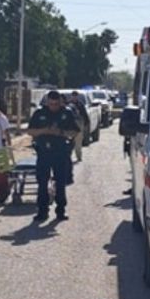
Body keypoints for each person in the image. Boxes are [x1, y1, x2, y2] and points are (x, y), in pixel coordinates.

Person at [27, 90, 80, 222]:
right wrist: (44, 131)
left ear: (60, 102)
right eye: (51, 104)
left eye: (56, 104)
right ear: (47, 102)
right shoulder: (40, 113)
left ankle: (60, 210)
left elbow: (75, 132)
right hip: (43, 152)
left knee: (60, 183)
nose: (53, 106)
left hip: (60, 152)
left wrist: (60, 133)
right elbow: (30, 131)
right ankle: (42, 211)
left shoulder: (66, 113)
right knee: (42, 183)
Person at [67, 91, 89, 162]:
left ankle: (79, 156)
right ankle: (67, 157)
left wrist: (86, 123)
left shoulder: (80, 104)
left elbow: (84, 114)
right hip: (70, 125)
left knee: (78, 141)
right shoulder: (68, 104)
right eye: (73, 96)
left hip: (79, 123)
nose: (74, 97)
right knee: (68, 142)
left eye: (75, 96)